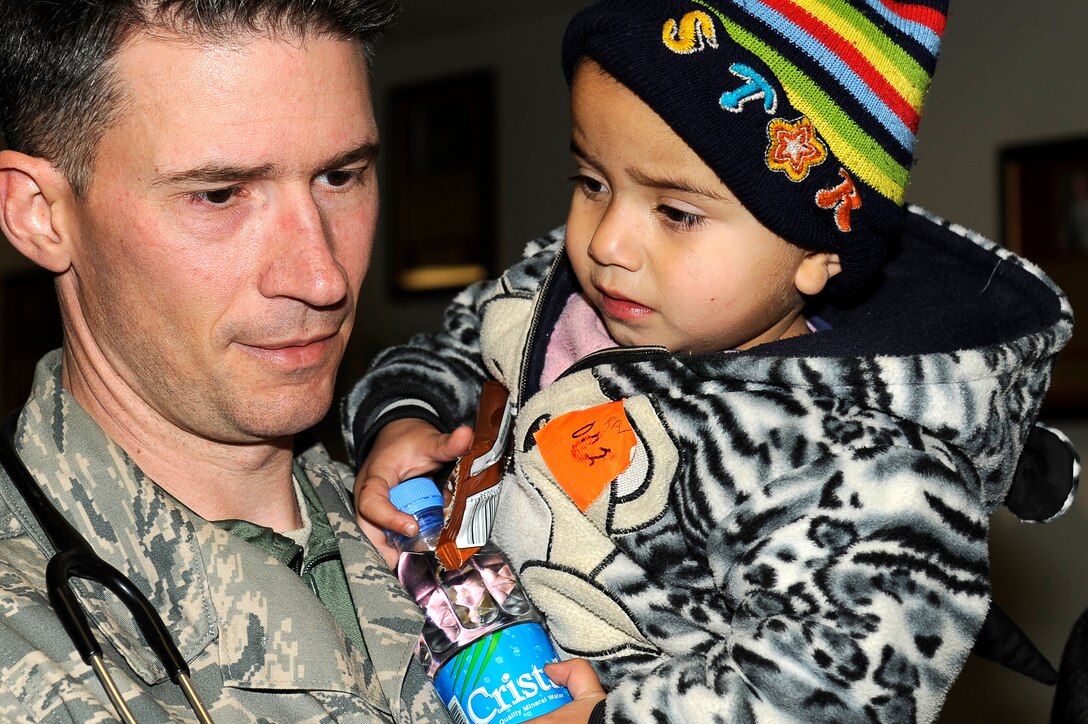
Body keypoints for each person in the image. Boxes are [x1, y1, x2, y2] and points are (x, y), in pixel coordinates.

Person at [343, 0, 1078, 722]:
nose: (608, 243)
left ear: (819, 254)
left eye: (676, 212)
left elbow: (833, 693)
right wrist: (404, 415)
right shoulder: (548, 299)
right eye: (593, 183)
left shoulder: (862, 465)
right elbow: (450, 348)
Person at [0, 1, 608, 721]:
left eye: (341, 176)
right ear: (40, 212)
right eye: (219, 194)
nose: (323, 278)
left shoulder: (488, 519)